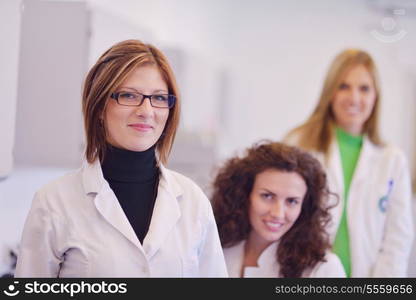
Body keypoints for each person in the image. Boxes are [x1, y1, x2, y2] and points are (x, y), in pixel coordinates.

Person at [15, 39, 228, 277]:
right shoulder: (54, 202)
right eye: (128, 95)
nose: (146, 111)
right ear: (98, 108)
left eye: (158, 98)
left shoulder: (193, 201)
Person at [284, 49, 414, 277]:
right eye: (343, 86)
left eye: (364, 88)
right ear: (330, 93)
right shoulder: (299, 144)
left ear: (376, 96)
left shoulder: (392, 160)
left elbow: (398, 238)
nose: (354, 98)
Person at [212, 141, 345, 277]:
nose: (278, 213)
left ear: (304, 207)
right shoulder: (217, 250)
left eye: (292, 201)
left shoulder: (323, 269)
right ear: (245, 195)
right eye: (267, 196)